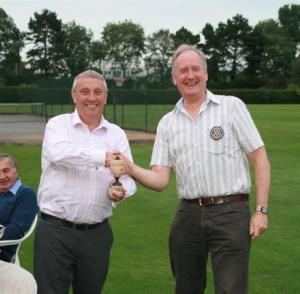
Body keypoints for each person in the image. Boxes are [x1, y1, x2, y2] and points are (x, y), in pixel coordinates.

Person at [120, 44, 271, 294]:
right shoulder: (167, 123)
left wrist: (261, 211)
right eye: (183, 70)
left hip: (231, 213)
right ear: (174, 78)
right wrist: (130, 168)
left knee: (231, 289)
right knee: (186, 288)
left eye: (195, 69)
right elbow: (159, 179)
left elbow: (260, 159)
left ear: (206, 74)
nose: (190, 75)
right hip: (188, 216)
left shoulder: (231, 107)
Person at [34, 70, 137, 294]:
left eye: (98, 92)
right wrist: (104, 157)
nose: (92, 98)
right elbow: (59, 154)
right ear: (74, 96)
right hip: (55, 231)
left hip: (97, 235)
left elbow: (129, 179)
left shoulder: (116, 134)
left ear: (105, 97)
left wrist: (120, 191)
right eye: (85, 92)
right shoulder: (58, 125)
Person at [0, 153, 39, 262]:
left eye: (6, 170)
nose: (2, 177)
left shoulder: (25, 194)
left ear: (16, 170)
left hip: (2, 254)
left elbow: (17, 230)